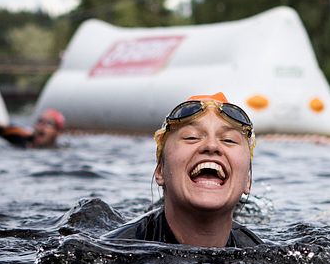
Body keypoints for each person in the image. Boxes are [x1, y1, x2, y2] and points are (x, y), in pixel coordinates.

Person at [103, 92, 263, 247]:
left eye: (229, 140)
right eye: (191, 137)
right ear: (160, 170)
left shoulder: (263, 256)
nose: (211, 146)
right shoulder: (113, 252)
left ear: (247, 180)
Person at [0, 108, 65, 148]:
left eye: (48, 123)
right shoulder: (21, 137)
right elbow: (1, 129)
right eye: (39, 121)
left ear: (58, 132)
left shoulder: (61, 151)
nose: (41, 126)